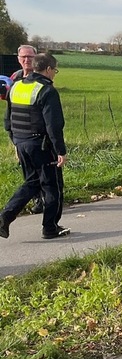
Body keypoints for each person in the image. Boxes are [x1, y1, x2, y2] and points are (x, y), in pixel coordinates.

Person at [0, 53, 70, 240]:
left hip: (21, 142)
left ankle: (5, 217)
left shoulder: (16, 86)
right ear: (48, 69)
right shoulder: (47, 90)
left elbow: (8, 120)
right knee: (52, 185)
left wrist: (15, 142)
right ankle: (50, 228)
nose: (54, 74)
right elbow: (54, 125)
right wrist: (60, 151)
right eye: (54, 70)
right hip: (41, 145)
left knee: (32, 182)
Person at [9, 45, 46, 214]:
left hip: (38, 136)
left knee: (43, 172)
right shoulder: (15, 78)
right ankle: (38, 200)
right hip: (20, 134)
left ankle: (46, 200)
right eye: (23, 57)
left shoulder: (42, 78)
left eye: (30, 57)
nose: (27, 60)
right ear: (18, 59)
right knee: (29, 172)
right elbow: (10, 110)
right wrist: (13, 138)